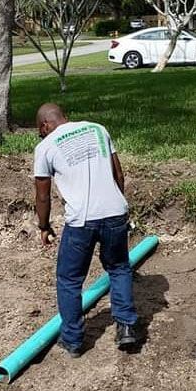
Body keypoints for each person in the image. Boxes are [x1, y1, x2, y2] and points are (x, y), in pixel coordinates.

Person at [32, 103, 138, 358]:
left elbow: (42, 196)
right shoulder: (98, 129)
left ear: (45, 125)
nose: (42, 135)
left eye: (40, 131)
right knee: (119, 268)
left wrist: (44, 226)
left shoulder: (45, 146)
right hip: (114, 213)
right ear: (64, 117)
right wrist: (115, 205)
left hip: (81, 222)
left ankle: (73, 340)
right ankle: (126, 328)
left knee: (69, 280)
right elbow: (119, 174)